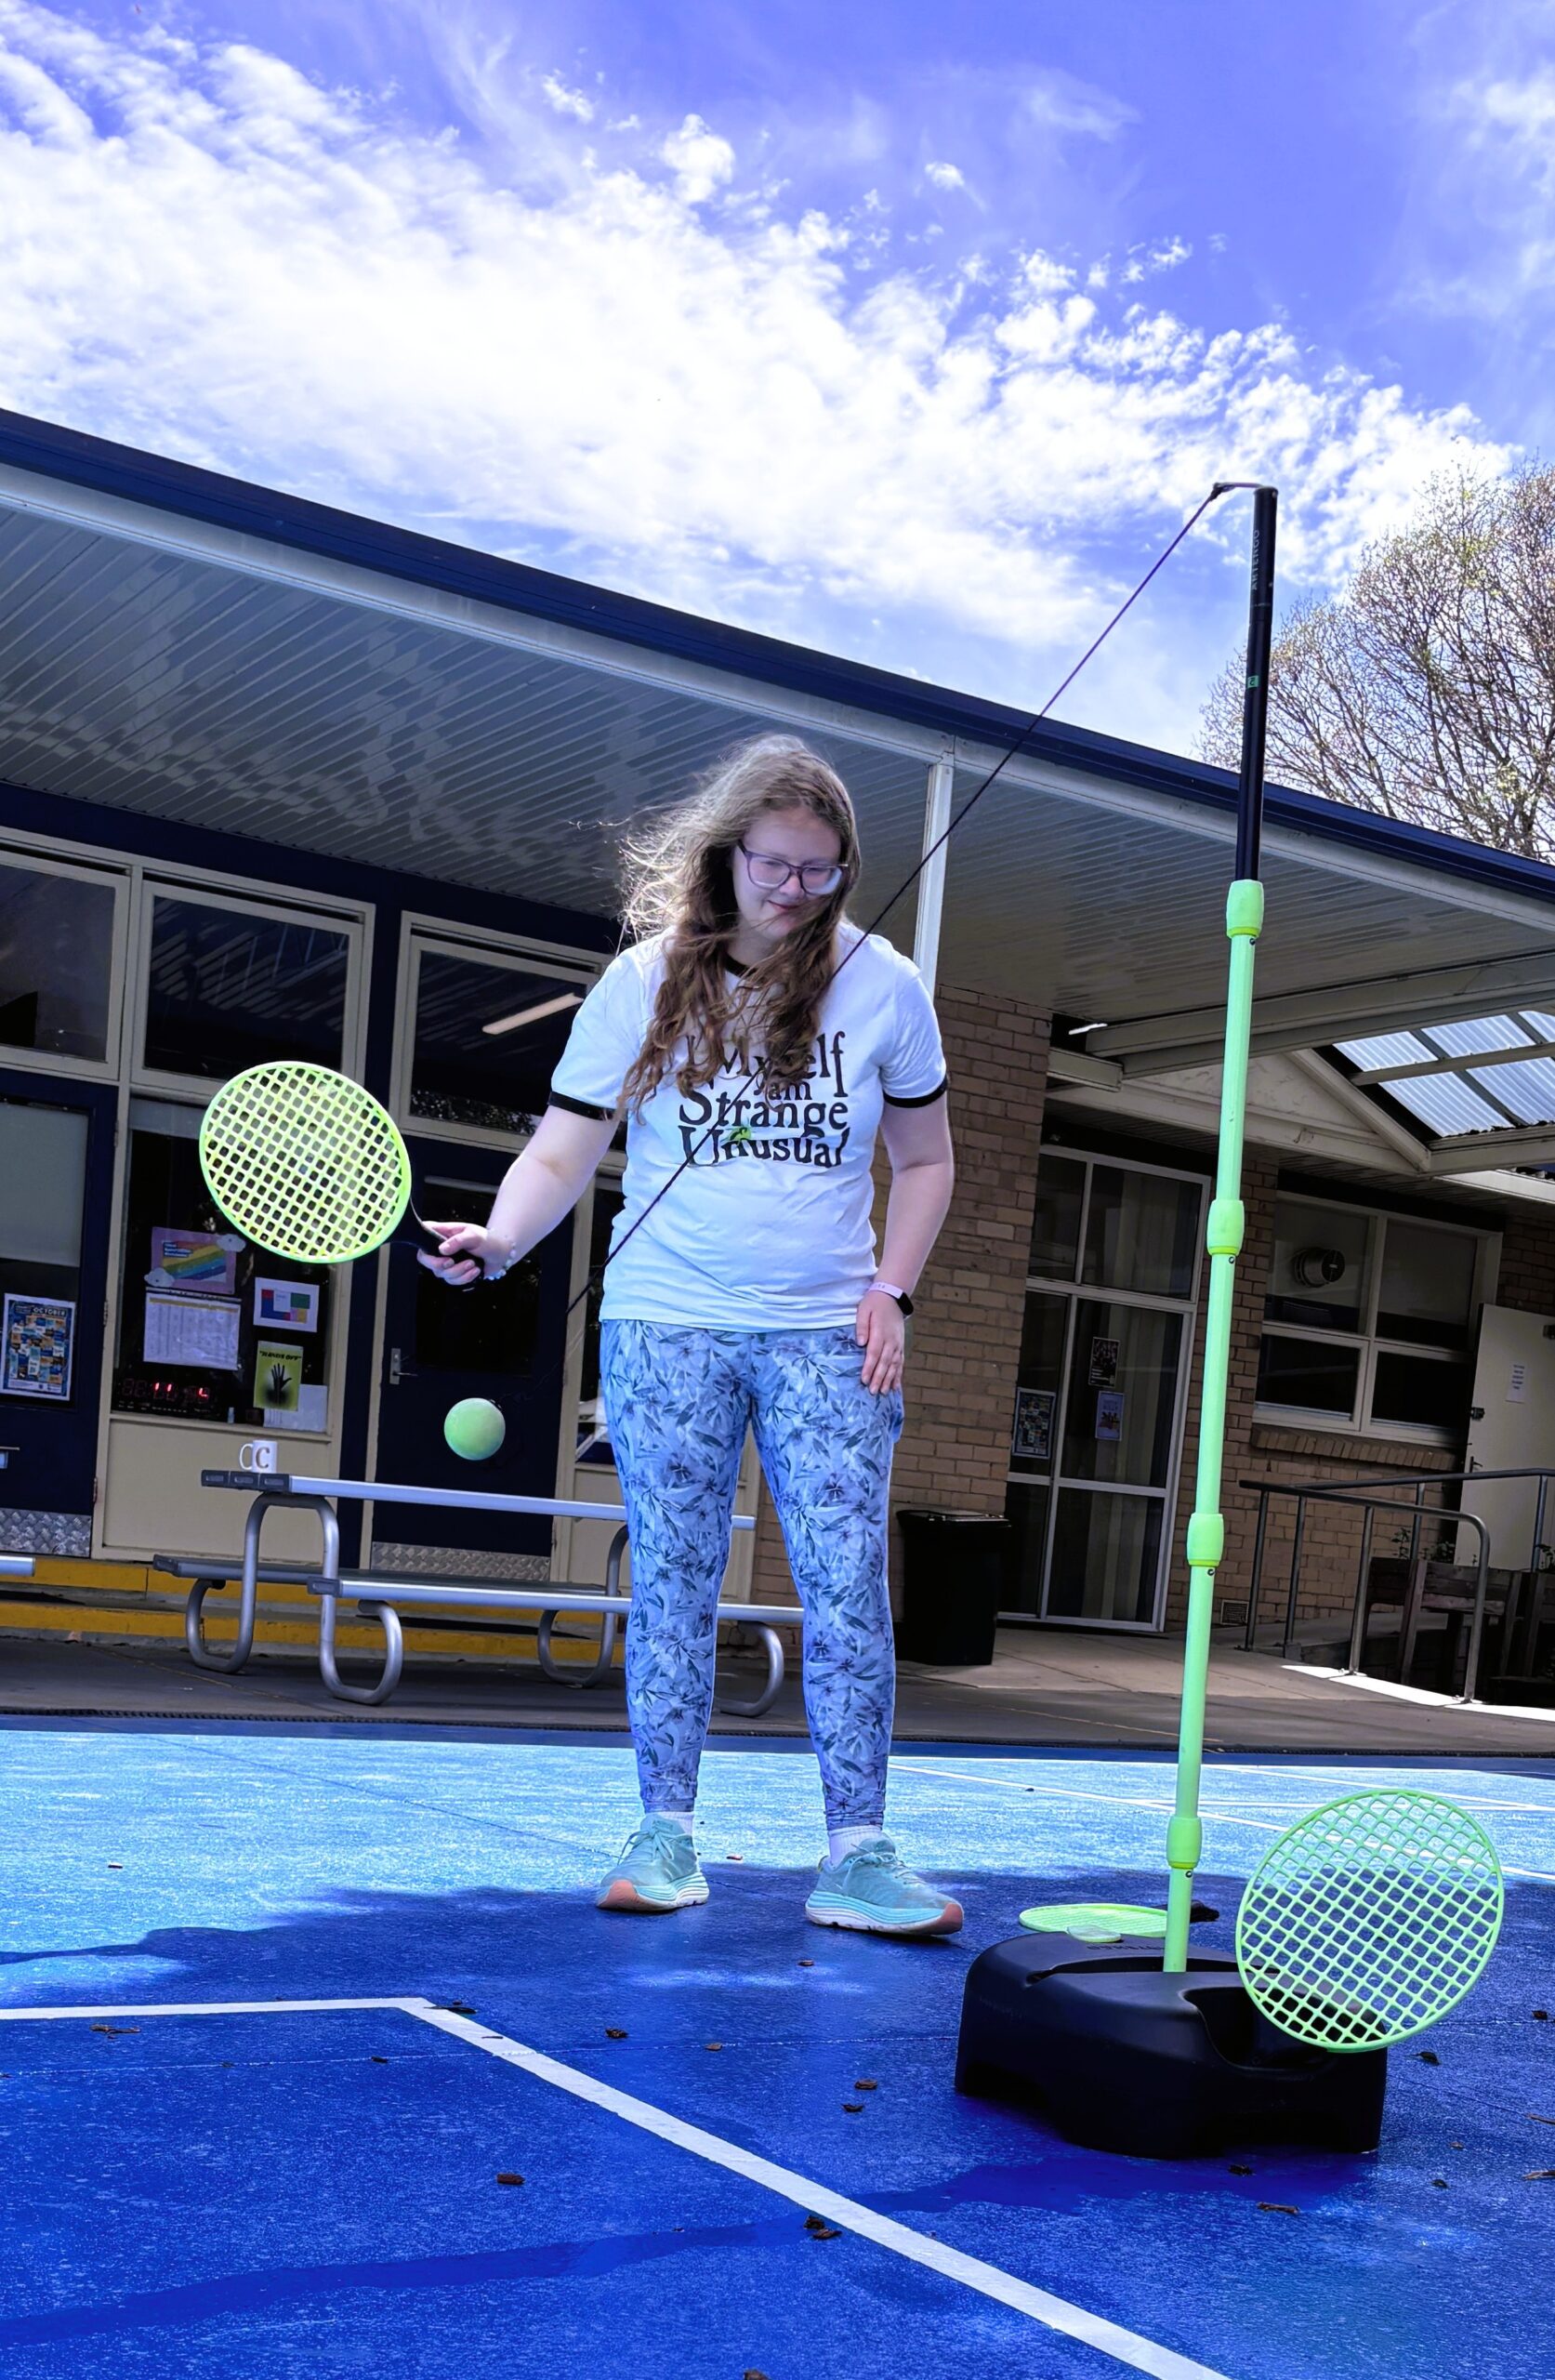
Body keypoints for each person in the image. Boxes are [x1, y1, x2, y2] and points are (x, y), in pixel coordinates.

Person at [420, 735, 960, 1937]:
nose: (793, 891)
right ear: (727, 854)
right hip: (665, 1327)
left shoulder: (885, 987)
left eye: (820, 872)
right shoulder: (644, 980)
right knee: (671, 1579)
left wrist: (894, 1291)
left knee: (846, 1588)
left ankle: (858, 1854)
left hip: (828, 1332)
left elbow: (922, 1161)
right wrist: (503, 1239)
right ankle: (664, 1834)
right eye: (774, 864)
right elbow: (565, 1145)